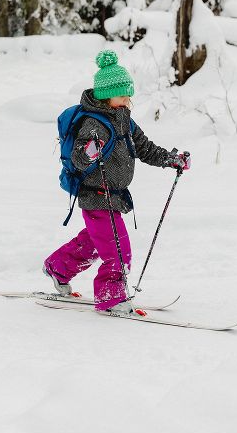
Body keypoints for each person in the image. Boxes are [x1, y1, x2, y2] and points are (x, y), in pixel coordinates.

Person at [43, 50, 190, 314]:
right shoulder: (93, 124)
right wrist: (88, 152)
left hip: (114, 197)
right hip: (96, 196)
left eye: (128, 94)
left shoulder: (124, 120)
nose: (127, 99)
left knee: (94, 243)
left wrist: (171, 159)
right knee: (118, 251)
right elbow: (78, 159)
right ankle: (111, 297)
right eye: (122, 94)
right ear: (104, 95)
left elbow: (145, 148)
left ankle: (58, 267)